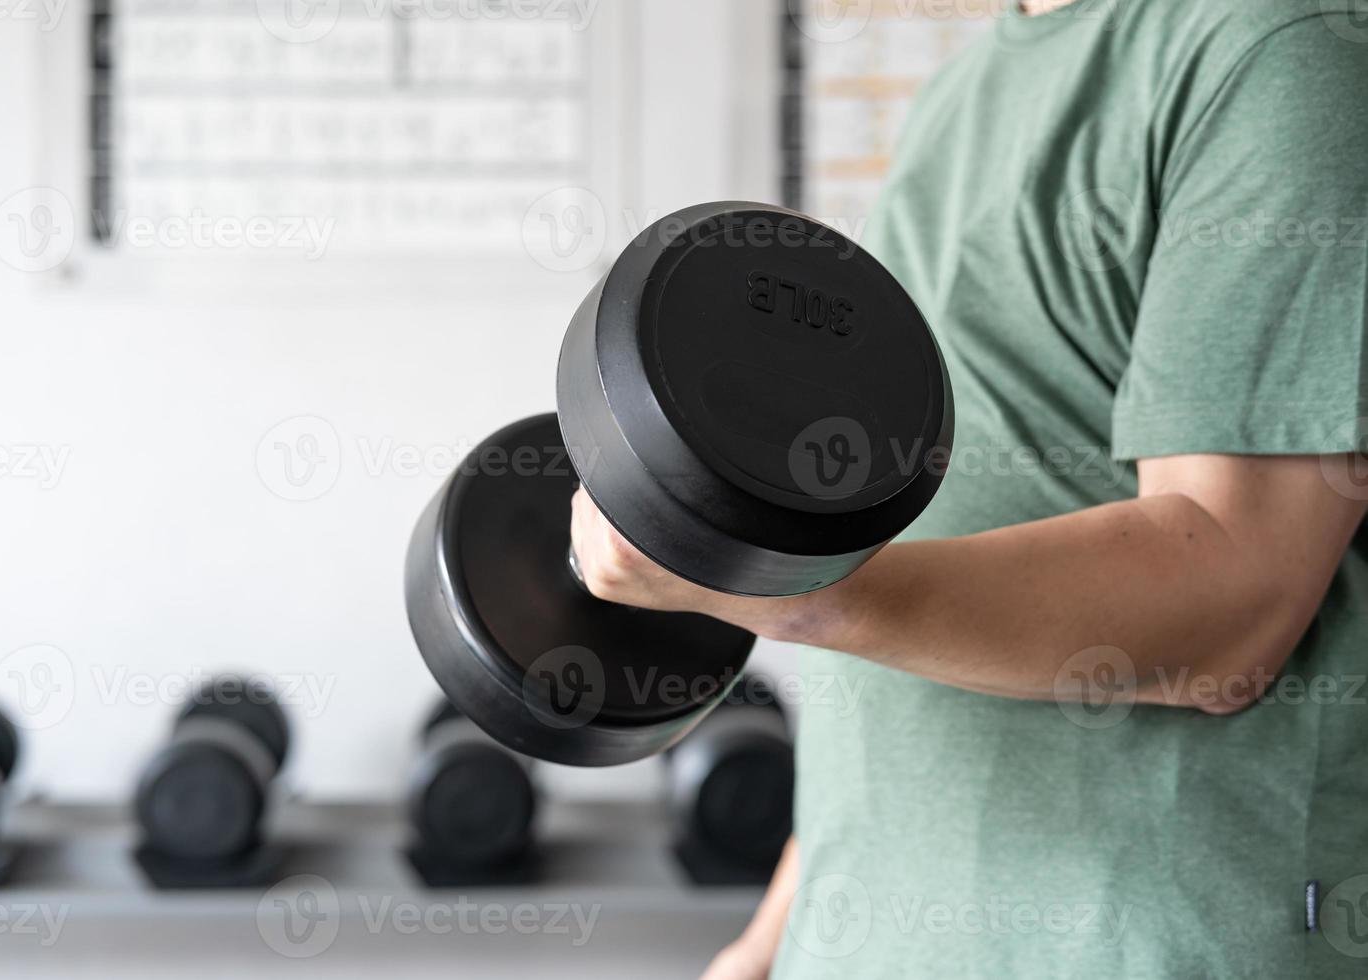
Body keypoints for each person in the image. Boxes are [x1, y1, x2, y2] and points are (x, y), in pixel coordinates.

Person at [569, 0, 1368, 976]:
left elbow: (1234, 602)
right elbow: (922, 603)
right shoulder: (960, 90)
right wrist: (774, 933)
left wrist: (787, 591)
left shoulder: (1274, 49)